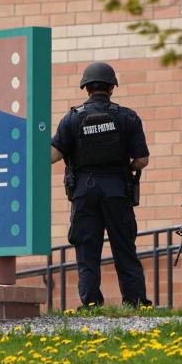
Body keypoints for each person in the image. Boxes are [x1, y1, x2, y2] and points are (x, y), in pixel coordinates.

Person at [50, 62, 151, 308]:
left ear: (86, 88)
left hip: (85, 191)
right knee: (124, 248)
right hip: (117, 190)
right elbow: (142, 160)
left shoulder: (71, 119)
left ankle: (91, 303)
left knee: (87, 250)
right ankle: (135, 302)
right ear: (111, 88)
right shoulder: (127, 117)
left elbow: (51, 156)